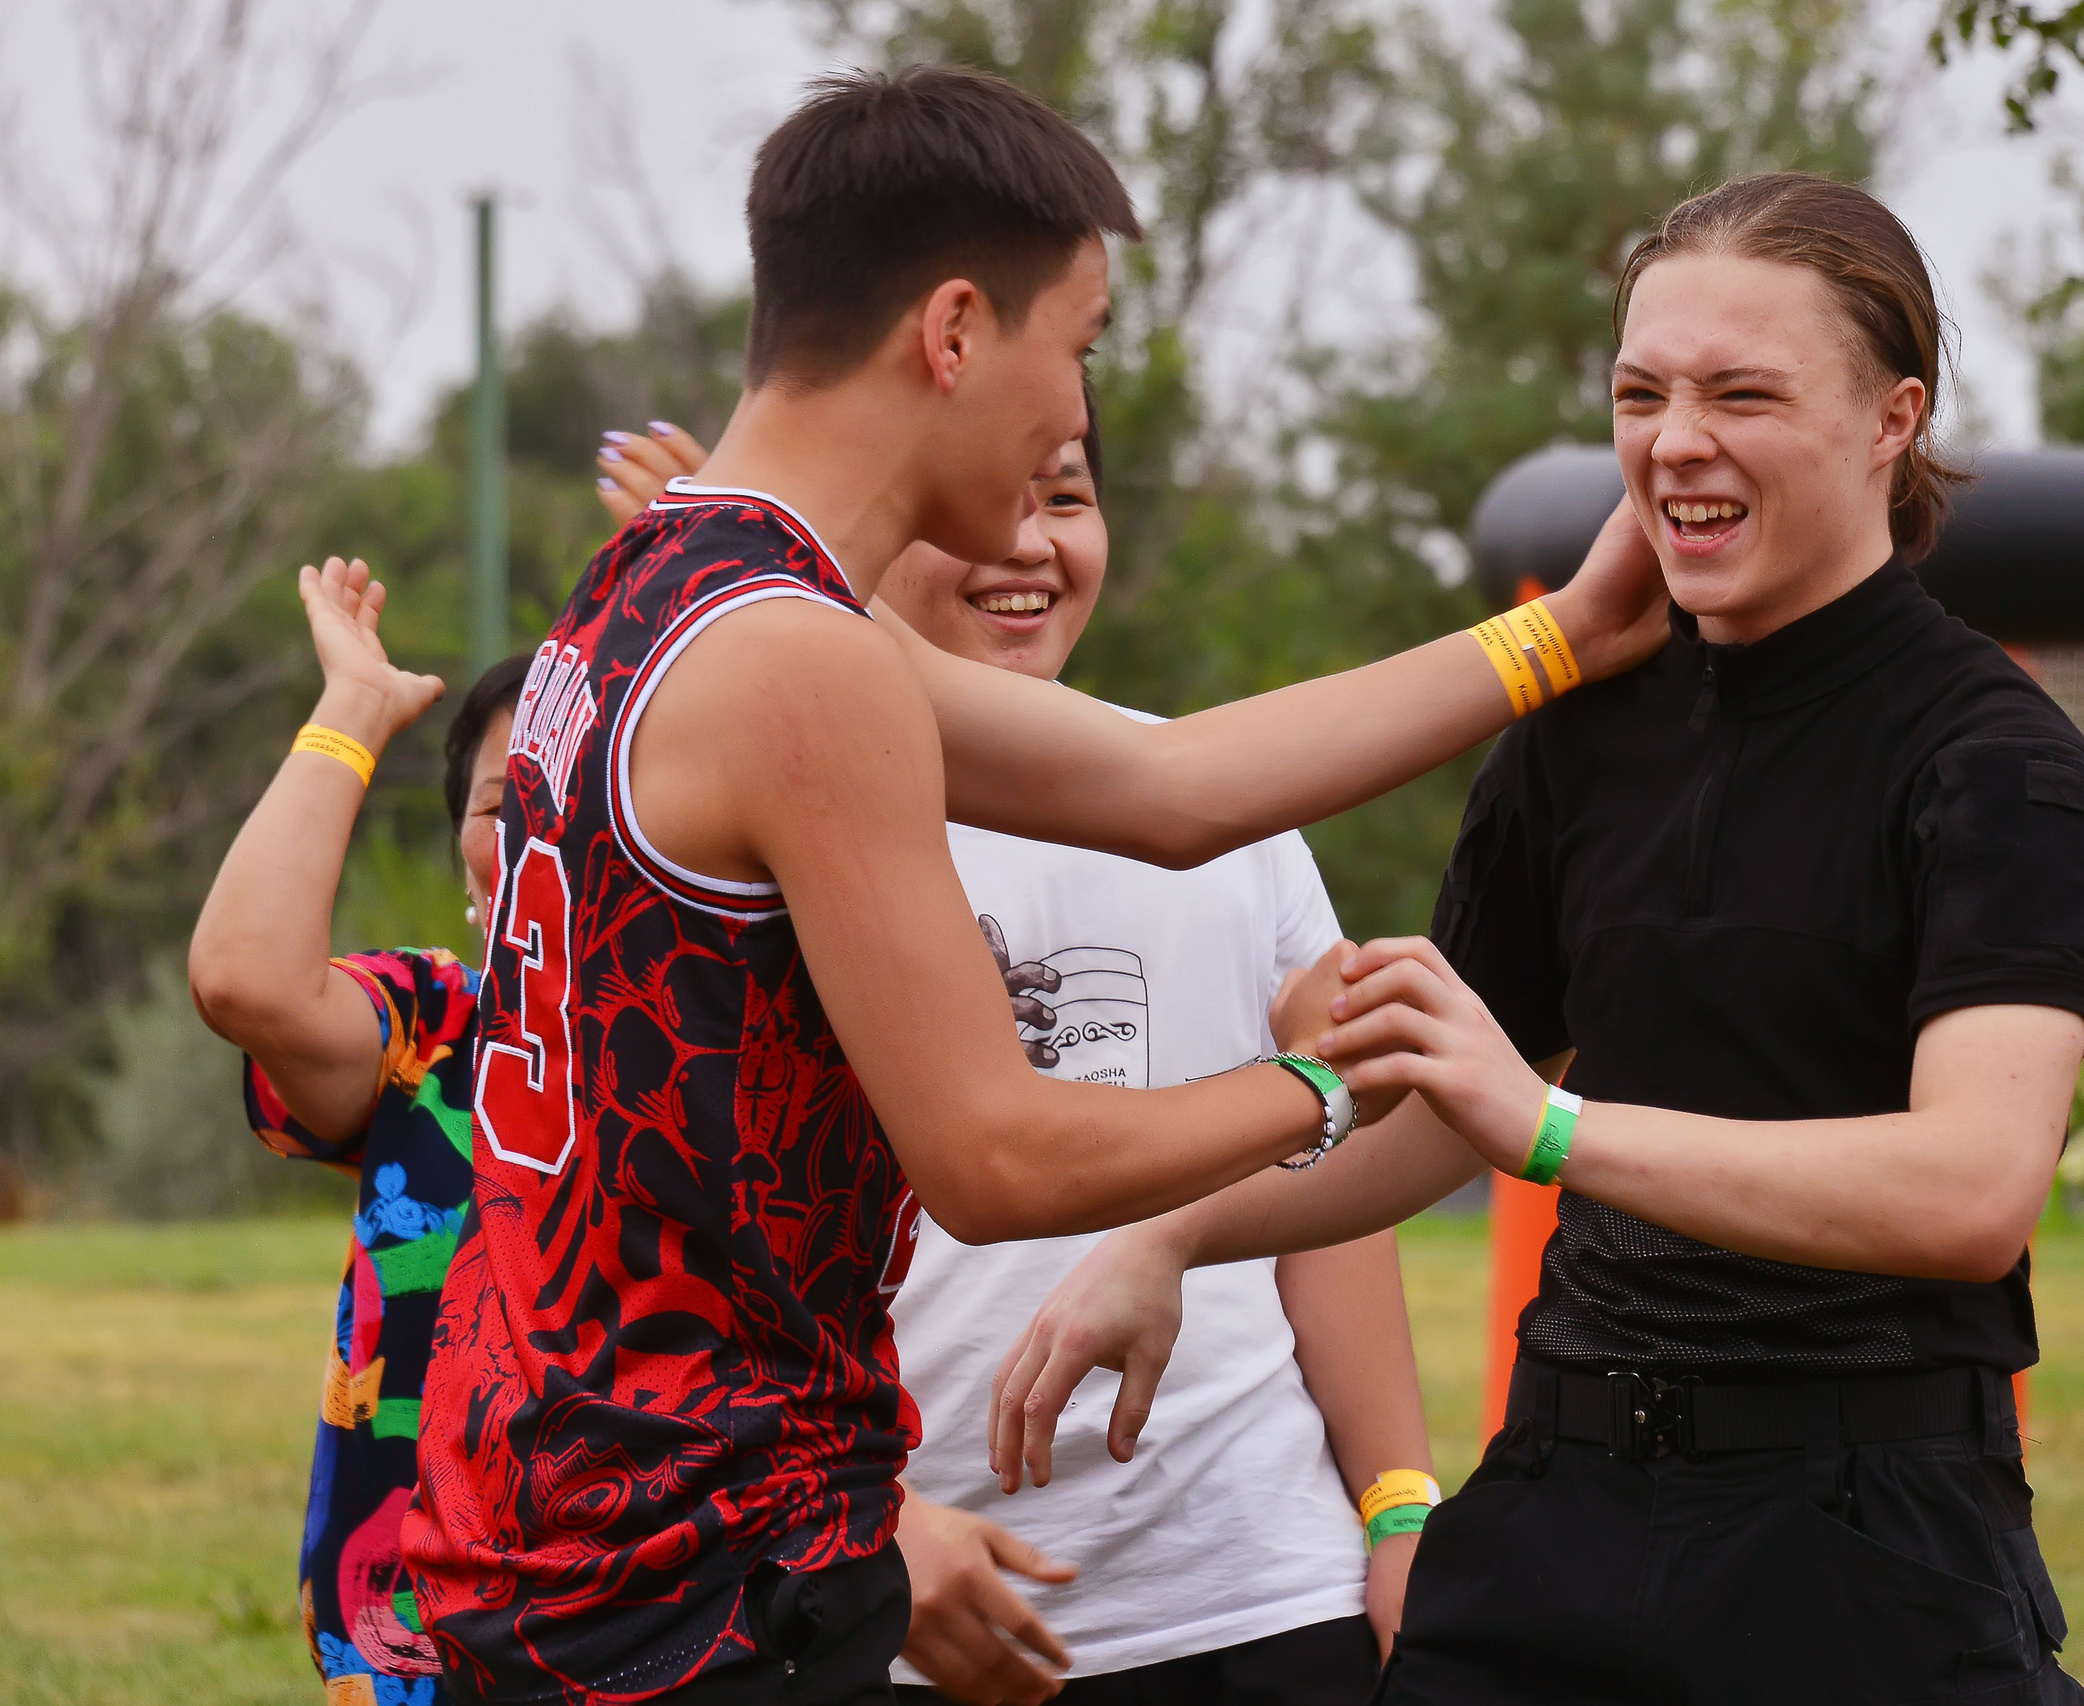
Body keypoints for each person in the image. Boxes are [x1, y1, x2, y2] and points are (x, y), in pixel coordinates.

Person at [401, 66, 1666, 1706]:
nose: (1076, 413)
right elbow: (993, 1154)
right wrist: (1324, 1086)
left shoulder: (663, 582)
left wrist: (1557, 636)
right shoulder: (799, 661)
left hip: (545, 1512)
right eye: (1075, 344)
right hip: (688, 1578)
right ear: (950, 333)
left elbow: (1169, 787)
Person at [990, 173, 2084, 1705]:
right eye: (1641, 392)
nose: (1676, 442)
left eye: (1742, 392)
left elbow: (1968, 1191)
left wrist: (1549, 1126)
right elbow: (1441, 1119)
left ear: (1891, 417)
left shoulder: (2000, 760)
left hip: (1864, 1536)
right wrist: (1179, 1233)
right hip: (1557, 1496)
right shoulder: (1575, 734)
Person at [599, 414, 1432, 1705]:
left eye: (1071, 499)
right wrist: (876, 1524)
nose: (1031, 547)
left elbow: (1333, 1172)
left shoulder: (1221, 801)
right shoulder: (784, 811)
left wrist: (1393, 1503)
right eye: (987, 508)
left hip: (1257, 1594)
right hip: (918, 1607)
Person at [189, 557, 527, 1706]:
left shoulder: (736, 1046)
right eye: (501, 805)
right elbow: (246, 978)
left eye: (581, 793)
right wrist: (354, 710)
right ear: (463, 860)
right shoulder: (433, 1028)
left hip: (678, 1625)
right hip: (413, 1649)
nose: (539, 829)